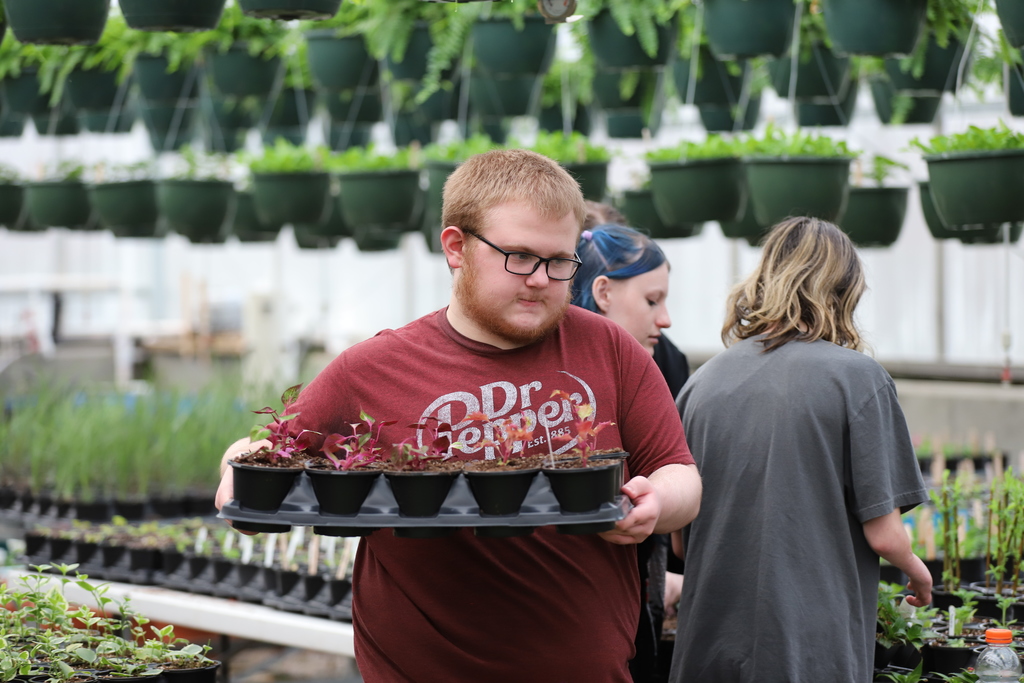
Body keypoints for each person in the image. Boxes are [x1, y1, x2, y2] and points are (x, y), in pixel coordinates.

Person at [216, 149, 702, 683]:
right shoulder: (375, 368)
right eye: (518, 257)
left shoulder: (609, 348)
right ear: (456, 247)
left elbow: (678, 473)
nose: (541, 280)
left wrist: (657, 501)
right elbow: (266, 453)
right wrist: (237, 466)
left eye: (560, 262)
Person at [669, 217, 932, 683]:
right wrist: (917, 573)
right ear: (845, 289)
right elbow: (885, 535)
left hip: (708, 645)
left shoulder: (700, 385)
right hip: (809, 647)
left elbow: (678, 539)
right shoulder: (858, 380)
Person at [570, 222, 688, 683]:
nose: (665, 319)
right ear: (602, 291)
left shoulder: (658, 363)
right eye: (651, 300)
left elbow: (676, 468)